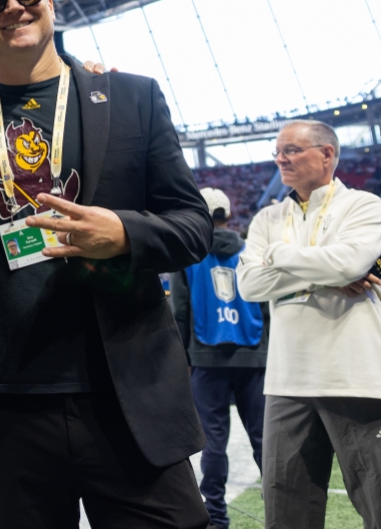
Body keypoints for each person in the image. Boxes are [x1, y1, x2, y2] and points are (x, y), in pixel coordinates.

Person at [0, 0, 212, 528]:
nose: (14, 7)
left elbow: (193, 227)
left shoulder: (132, 98)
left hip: (124, 393)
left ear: (50, 4)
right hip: (1, 403)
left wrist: (124, 233)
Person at [237, 120, 381, 529]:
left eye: (292, 150)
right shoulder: (267, 218)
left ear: (327, 154)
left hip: (357, 375)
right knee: (285, 515)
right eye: (278, 151)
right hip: (286, 382)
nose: (281, 158)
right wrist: (327, 272)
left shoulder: (365, 206)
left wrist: (279, 256)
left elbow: (351, 263)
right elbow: (249, 284)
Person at [170, 187, 267, 529]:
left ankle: (216, 519)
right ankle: (281, 510)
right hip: (254, 355)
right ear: (227, 215)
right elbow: (267, 305)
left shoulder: (188, 255)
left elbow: (179, 311)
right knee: (264, 440)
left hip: (206, 359)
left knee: (213, 443)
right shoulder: (251, 249)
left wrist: (183, 358)